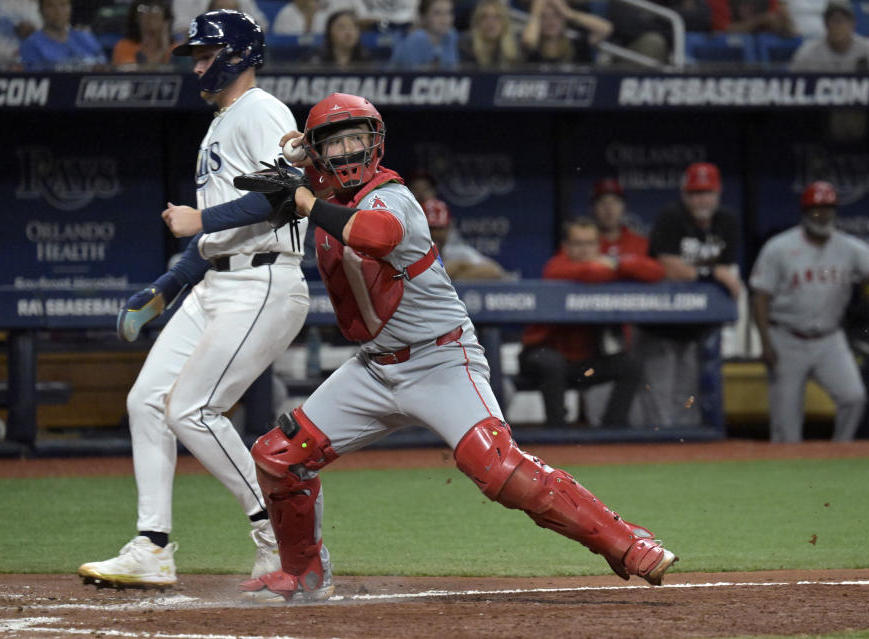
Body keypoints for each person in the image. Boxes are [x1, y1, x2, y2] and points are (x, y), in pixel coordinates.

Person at [212, 92, 677, 601]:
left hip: (441, 358)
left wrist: (303, 190)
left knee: (495, 465)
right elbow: (284, 188)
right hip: (373, 369)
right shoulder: (320, 190)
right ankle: (304, 574)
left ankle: (627, 541)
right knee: (279, 456)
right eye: (336, 142)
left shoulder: (392, 198)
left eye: (357, 138)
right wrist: (297, 162)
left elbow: (371, 235)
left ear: (376, 143)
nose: (348, 151)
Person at [77, 10, 309, 589]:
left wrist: (200, 218)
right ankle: (152, 545)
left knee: (191, 409)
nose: (200, 65)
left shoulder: (262, 110)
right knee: (147, 402)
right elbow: (211, 239)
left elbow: (284, 197)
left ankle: (276, 535)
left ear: (240, 56)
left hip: (264, 281)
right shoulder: (221, 121)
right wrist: (167, 285)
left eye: (207, 55)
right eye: (198, 57)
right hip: (217, 282)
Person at [749, 182, 869, 443]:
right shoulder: (779, 248)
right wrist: (766, 343)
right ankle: (785, 476)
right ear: (805, 212)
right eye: (816, 210)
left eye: (828, 209)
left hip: (829, 339)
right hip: (787, 337)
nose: (822, 216)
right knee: (786, 427)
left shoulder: (849, 247)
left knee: (854, 397)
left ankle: (839, 453)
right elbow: (760, 296)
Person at [518, 218, 654, 430]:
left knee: (630, 365)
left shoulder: (607, 264)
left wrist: (617, 263)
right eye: (578, 244)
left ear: (598, 246)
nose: (584, 249)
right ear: (566, 246)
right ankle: (557, 431)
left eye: (590, 243)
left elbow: (655, 271)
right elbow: (588, 273)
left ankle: (613, 428)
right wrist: (612, 267)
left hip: (584, 364)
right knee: (552, 362)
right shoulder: (557, 265)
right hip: (540, 355)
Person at [637, 162, 741, 428]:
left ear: (718, 193)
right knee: (659, 403)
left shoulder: (726, 222)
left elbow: (728, 271)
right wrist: (712, 274)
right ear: (684, 194)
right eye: (695, 193)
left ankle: (682, 459)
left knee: (687, 402)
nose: (701, 199)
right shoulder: (671, 217)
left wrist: (714, 273)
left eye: (707, 192)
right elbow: (668, 267)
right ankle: (654, 457)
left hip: (696, 329)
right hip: (659, 326)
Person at [422, 198, 508, 280]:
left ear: (449, 229)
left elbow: (495, 271)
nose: (436, 234)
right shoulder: (411, 255)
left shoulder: (455, 252)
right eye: (431, 228)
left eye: (441, 228)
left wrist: (458, 270)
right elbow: (426, 278)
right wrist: (458, 267)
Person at [790, 0, 869, 71]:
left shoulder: (867, 49)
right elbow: (792, 84)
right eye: (835, 20)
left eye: (843, 20)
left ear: (853, 24)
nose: (839, 26)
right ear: (826, 24)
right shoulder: (808, 52)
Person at [608, 0, 709, 63]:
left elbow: (702, 20)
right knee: (653, 42)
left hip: (672, 48)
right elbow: (627, 27)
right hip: (625, 51)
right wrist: (671, 24)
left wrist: (656, 18)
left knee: (698, 41)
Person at [18, 0, 106, 70]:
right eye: (51, 6)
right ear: (41, 10)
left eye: (63, 4)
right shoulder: (31, 45)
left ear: (70, 8)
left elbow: (104, 68)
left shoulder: (86, 38)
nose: (58, 11)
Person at [520, 0, 613, 65]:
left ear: (563, 18)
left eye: (556, 15)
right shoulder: (534, 50)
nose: (551, 21)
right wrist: (536, 13)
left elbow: (605, 29)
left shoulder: (577, 44)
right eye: (544, 17)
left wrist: (568, 13)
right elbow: (528, 42)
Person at [388, 0, 459, 69]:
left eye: (449, 12)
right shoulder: (417, 39)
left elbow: (452, 70)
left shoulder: (451, 35)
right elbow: (412, 76)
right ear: (424, 17)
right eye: (437, 13)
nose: (445, 18)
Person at [112, 0, 175, 70]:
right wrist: (163, 50)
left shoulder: (175, 49)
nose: (150, 14)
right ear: (136, 18)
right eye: (143, 9)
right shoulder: (124, 47)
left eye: (156, 9)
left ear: (165, 19)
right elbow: (135, 75)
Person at [457, 0, 520, 68]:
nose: (490, 22)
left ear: (505, 22)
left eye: (497, 17)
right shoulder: (466, 44)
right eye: (484, 17)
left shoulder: (515, 45)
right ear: (477, 22)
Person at [306, 9, 371, 67]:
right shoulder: (315, 59)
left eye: (353, 27)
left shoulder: (366, 59)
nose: (349, 32)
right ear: (329, 32)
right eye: (341, 27)